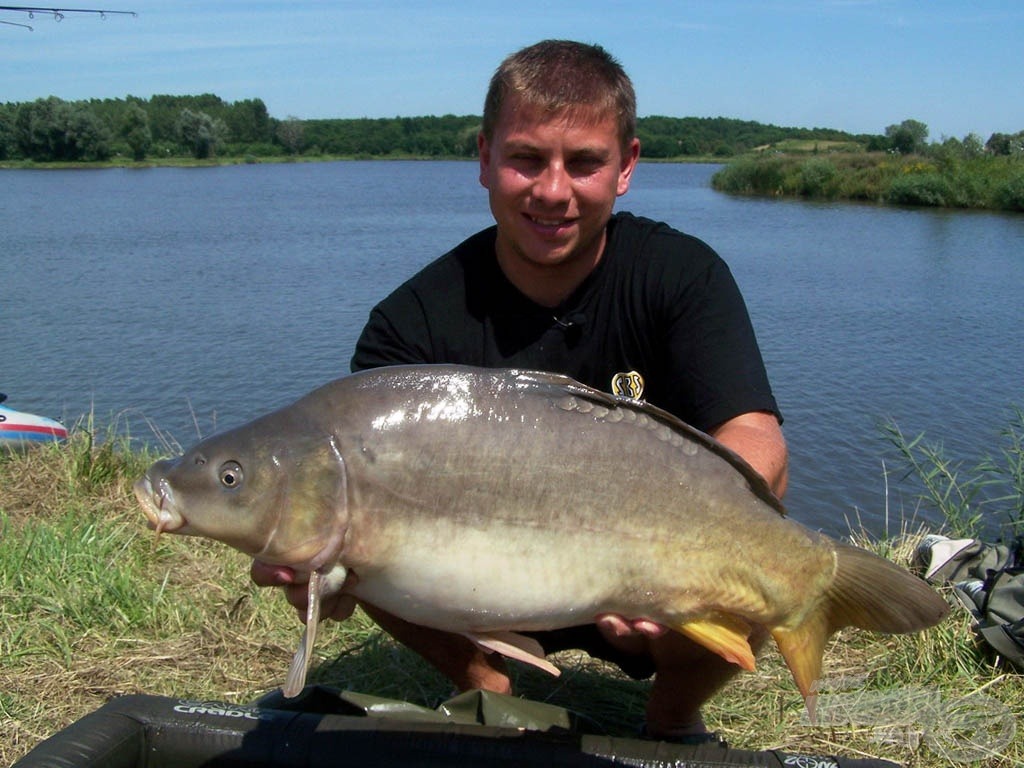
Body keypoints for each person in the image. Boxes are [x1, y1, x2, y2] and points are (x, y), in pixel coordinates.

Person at [252, 39, 787, 742]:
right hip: (480, 582)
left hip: (645, 568)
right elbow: (348, 557)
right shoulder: (409, 324)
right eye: (526, 159)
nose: (553, 190)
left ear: (626, 166)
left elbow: (757, 438)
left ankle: (674, 715)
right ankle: (491, 681)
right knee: (357, 516)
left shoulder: (682, 277)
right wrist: (314, 567)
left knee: (758, 532)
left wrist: (682, 560)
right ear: (483, 158)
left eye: (585, 163)